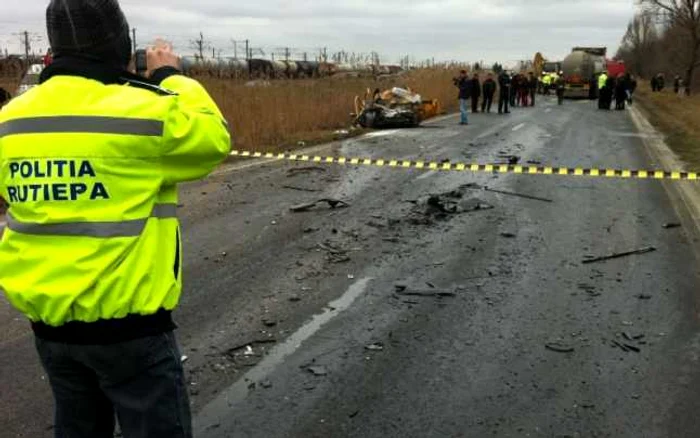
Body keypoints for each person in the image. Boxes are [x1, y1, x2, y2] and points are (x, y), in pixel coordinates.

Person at [0, 1, 231, 437]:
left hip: (51, 329)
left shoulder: (11, 119)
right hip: (130, 331)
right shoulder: (146, 111)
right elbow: (214, 137)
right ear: (119, 41)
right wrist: (170, 75)